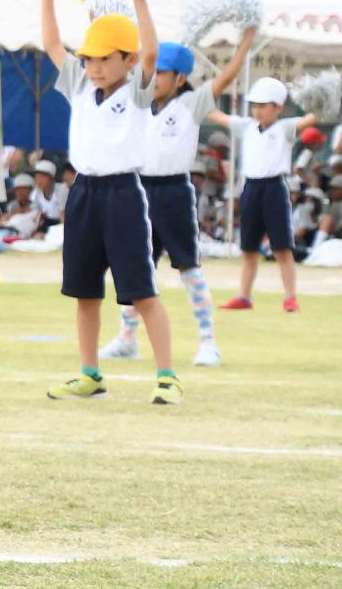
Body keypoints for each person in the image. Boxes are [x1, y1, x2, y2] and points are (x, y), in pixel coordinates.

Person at [39, 0, 182, 406]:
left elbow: (153, 51)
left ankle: (167, 376)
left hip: (123, 194)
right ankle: (90, 374)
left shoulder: (138, 91)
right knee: (84, 290)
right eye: (89, 58)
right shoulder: (81, 85)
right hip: (83, 194)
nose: (94, 67)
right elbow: (50, 44)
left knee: (140, 289)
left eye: (105, 59)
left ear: (128, 59)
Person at [100, 29, 252, 367]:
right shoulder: (139, 101)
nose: (153, 79)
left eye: (161, 73)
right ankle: (127, 338)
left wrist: (244, 44)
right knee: (135, 269)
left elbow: (224, 78)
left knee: (189, 268)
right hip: (138, 190)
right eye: (150, 72)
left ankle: (208, 341)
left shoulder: (191, 103)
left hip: (174, 193)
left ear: (180, 77)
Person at [217, 74, 301, 314]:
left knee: (282, 248)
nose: (257, 111)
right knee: (249, 248)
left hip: (274, 188)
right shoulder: (247, 127)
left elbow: (310, 119)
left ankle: (290, 297)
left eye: (263, 106)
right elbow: (218, 116)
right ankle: (244, 296)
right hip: (250, 189)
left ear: (278, 107)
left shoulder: (285, 128)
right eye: (254, 106)